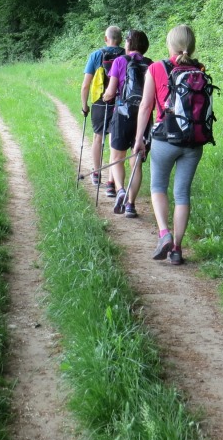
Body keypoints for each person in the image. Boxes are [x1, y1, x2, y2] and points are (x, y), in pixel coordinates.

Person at [133, 25, 206, 265]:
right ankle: (177, 249)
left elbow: (146, 106)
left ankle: (164, 233)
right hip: (193, 140)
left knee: (158, 187)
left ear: (169, 45)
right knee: (182, 194)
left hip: (165, 138)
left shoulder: (156, 68)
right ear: (191, 46)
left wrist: (139, 140)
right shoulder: (200, 69)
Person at [102, 29, 151, 218]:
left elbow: (111, 92)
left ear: (128, 44)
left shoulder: (120, 61)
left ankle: (120, 189)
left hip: (122, 114)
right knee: (136, 161)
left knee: (116, 157)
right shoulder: (151, 65)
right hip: (144, 117)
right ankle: (131, 205)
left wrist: (106, 97)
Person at [80, 25, 124, 194]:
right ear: (120, 40)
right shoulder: (125, 55)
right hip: (119, 102)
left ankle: (97, 173)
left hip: (99, 101)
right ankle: (111, 182)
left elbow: (86, 85)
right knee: (114, 140)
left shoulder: (96, 55)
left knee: (98, 136)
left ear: (106, 39)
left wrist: (84, 106)